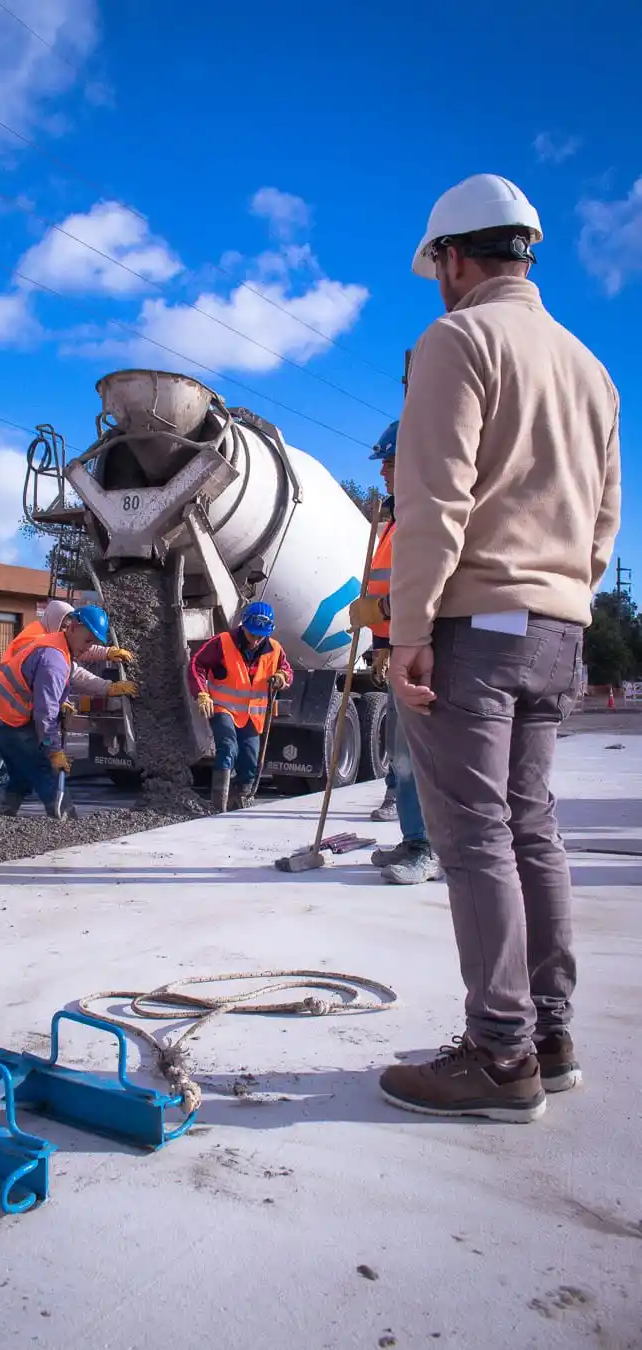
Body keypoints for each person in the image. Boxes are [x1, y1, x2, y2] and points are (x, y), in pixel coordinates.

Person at [380, 174, 620, 1122]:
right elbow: (604, 521)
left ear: (453, 257)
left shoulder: (459, 338)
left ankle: (497, 1055)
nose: (436, 280)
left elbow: (432, 500)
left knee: (474, 835)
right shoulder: (591, 367)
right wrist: (564, 598)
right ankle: (548, 1038)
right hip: (557, 628)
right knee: (532, 828)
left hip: (474, 628)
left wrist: (408, 634)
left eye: (436, 263)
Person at [349, 422, 441, 884]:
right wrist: (383, 642)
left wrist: (379, 608)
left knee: (421, 759)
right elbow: (392, 582)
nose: (383, 471)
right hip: (403, 649)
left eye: (390, 462)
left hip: (430, 656)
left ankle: (430, 847)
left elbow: (433, 589)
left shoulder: (428, 515)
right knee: (402, 758)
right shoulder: (397, 518)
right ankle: (414, 839)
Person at [0, 599, 137, 815]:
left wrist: (106, 655)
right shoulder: (50, 655)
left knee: (9, 765)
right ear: (69, 626)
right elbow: (47, 710)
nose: (88, 646)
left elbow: (78, 652)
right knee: (37, 764)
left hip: (1, 706)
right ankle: (62, 812)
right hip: (6, 712)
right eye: (88, 640)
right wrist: (55, 750)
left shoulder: (57, 638)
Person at [189, 601, 292, 812]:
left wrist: (282, 677)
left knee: (249, 759)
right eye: (252, 634)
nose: (255, 640)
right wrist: (202, 693)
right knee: (228, 746)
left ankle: (241, 796)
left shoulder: (275, 649)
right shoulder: (222, 642)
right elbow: (196, 664)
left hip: (252, 715)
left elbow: (287, 670)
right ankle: (219, 803)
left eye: (260, 636)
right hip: (222, 707)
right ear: (243, 626)